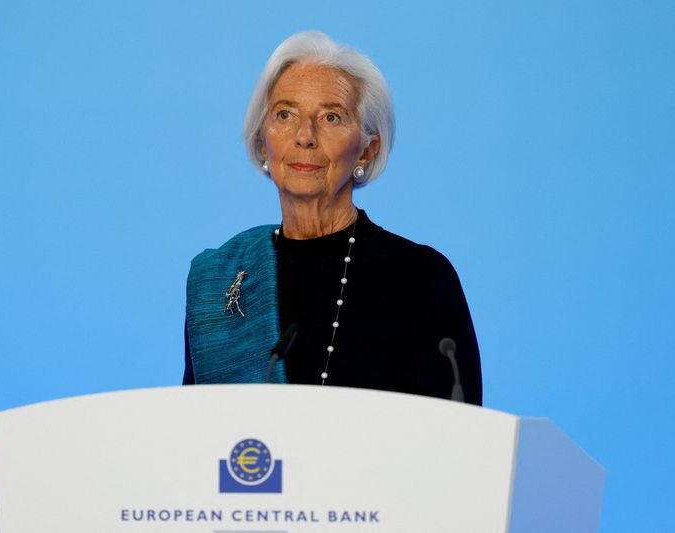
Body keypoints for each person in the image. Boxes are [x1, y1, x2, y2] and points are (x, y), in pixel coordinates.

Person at [183, 31, 482, 405]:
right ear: (263, 141)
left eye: (331, 117)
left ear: (367, 149)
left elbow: (461, 442)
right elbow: (196, 438)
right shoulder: (224, 276)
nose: (304, 136)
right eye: (285, 114)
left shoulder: (420, 278)